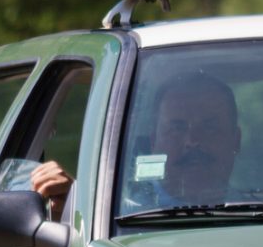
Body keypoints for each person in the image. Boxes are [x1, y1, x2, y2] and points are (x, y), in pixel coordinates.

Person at [34, 71, 242, 216]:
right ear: (153, 143)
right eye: (177, 128)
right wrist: (71, 207)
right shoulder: (114, 216)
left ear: (236, 140)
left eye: (209, 127)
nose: (193, 141)